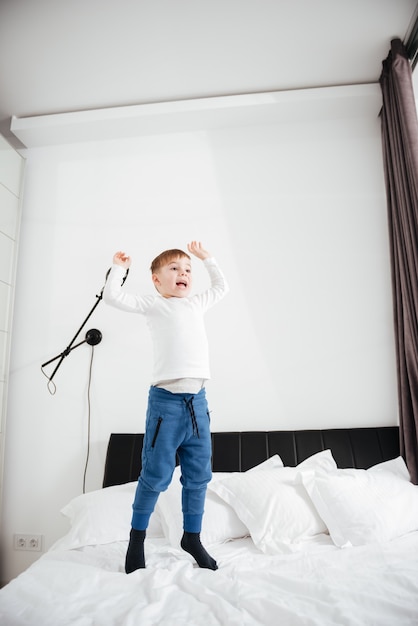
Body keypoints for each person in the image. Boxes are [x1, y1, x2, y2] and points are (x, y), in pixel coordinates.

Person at [103, 241, 229, 573]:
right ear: (157, 280)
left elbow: (222, 286)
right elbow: (114, 297)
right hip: (166, 407)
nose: (183, 274)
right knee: (155, 476)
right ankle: (136, 539)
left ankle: (192, 537)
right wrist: (118, 267)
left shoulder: (198, 304)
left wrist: (207, 259)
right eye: (174, 269)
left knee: (199, 476)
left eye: (187, 270)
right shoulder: (154, 304)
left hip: (198, 405)